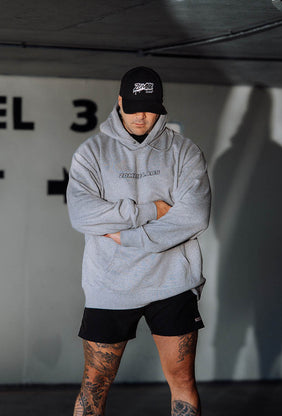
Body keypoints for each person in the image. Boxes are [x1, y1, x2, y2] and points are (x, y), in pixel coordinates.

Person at [67, 66, 211, 416]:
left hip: (173, 283)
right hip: (110, 285)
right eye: (131, 106)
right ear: (119, 102)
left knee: (183, 382)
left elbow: (193, 217)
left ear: (160, 105)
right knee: (95, 384)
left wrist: (126, 238)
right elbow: (82, 215)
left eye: (147, 107)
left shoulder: (184, 152)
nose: (139, 115)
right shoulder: (92, 152)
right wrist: (151, 210)